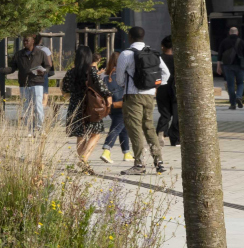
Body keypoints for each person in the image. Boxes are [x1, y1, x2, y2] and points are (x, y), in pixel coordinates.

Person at [113, 25, 169, 175]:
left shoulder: (126, 54)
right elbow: (166, 73)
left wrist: (125, 85)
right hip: (150, 95)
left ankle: (139, 164)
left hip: (132, 95)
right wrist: (155, 86)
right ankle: (159, 162)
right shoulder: (153, 53)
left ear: (130, 37)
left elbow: (119, 79)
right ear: (143, 37)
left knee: (135, 128)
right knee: (149, 127)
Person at [60, 48, 112, 173]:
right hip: (90, 107)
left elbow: (65, 88)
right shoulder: (91, 71)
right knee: (96, 133)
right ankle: (83, 159)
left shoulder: (71, 72)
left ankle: (84, 165)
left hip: (75, 106)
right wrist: (108, 97)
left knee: (81, 135)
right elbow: (101, 87)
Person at [11, 34, 55, 129]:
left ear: (32, 41)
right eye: (24, 41)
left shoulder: (41, 53)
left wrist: (43, 71)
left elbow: (48, 66)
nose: (25, 42)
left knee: (38, 105)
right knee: (26, 106)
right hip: (24, 83)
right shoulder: (19, 54)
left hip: (37, 82)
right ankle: (29, 128)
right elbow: (12, 67)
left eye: (27, 40)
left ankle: (40, 126)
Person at [217, 26, 244, 109]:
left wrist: (218, 67)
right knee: (240, 83)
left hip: (228, 66)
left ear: (229, 32)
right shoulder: (241, 42)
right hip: (240, 66)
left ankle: (233, 104)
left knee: (230, 85)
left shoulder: (224, 41)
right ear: (237, 33)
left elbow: (219, 55)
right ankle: (239, 96)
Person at [155, 35, 178, 140]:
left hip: (162, 87)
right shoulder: (178, 59)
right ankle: (175, 138)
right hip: (176, 88)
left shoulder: (158, 59)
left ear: (162, 46)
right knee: (176, 114)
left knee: (165, 113)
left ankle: (161, 132)